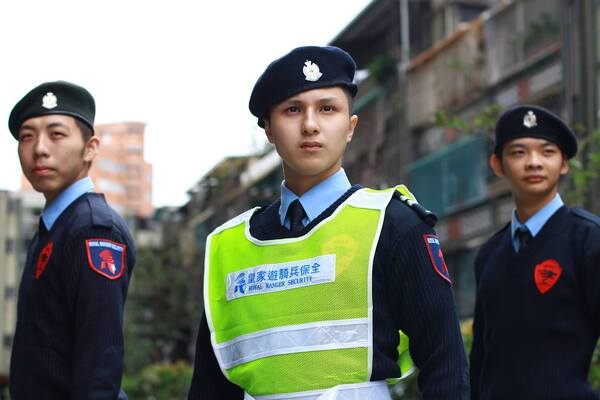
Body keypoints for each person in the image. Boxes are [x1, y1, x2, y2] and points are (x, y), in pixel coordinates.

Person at [188, 45, 469, 400]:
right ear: (269, 130)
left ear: (351, 127)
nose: (310, 125)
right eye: (293, 110)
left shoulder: (393, 224)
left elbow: (446, 365)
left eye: (327, 109)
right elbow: (210, 387)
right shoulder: (229, 246)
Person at [8, 81, 135, 399]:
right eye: (27, 136)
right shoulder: (55, 227)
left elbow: (99, 364)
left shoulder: (93, 230)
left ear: (90, 148)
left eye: (56, 134)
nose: (39, 148)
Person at [469, 105, 600, 399]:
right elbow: (481, 359)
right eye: (519, 152)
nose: (534, 163)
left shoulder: (588, 240)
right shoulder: (489, 255)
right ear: (498, 164)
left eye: (547, 152)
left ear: (564, 163)